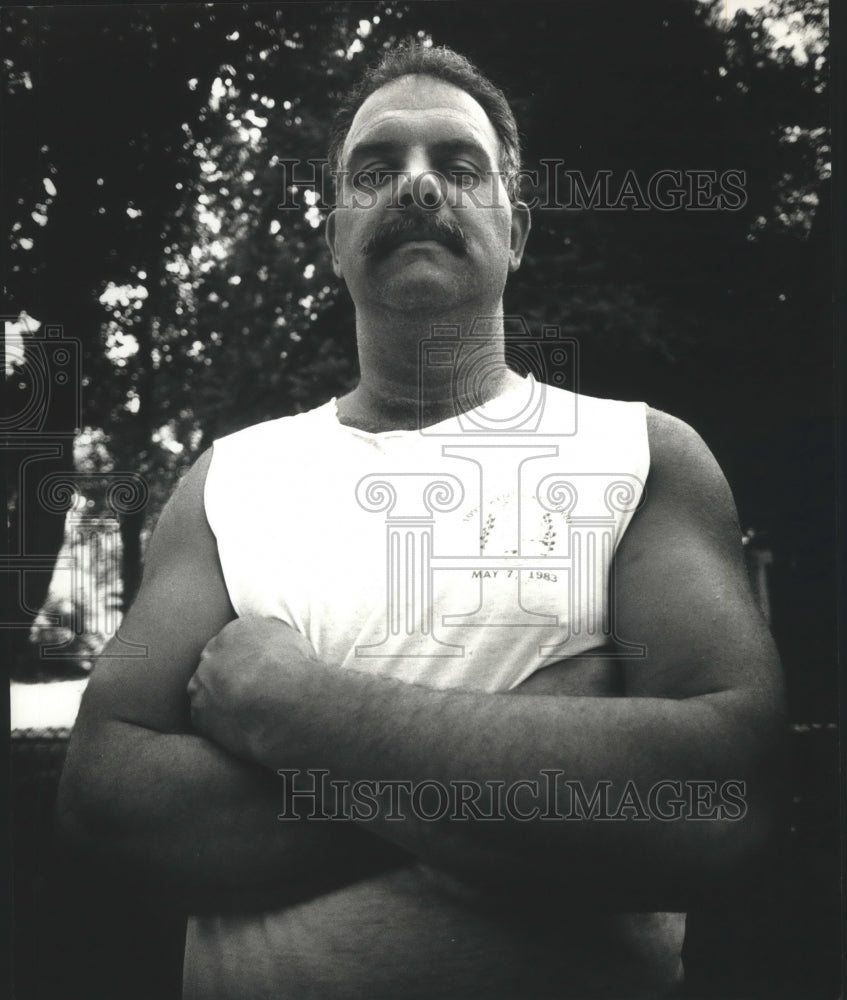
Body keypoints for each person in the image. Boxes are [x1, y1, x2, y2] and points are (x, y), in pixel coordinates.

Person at [57, 41, 785, 999]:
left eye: (457, 164)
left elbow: (717, 804)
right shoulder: (227, 481)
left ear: (515, 230)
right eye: (375, 168)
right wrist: (541, 743)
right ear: (332, 236)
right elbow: (104, 809)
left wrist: (298, 711)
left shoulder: (642, 457)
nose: (414, 186)